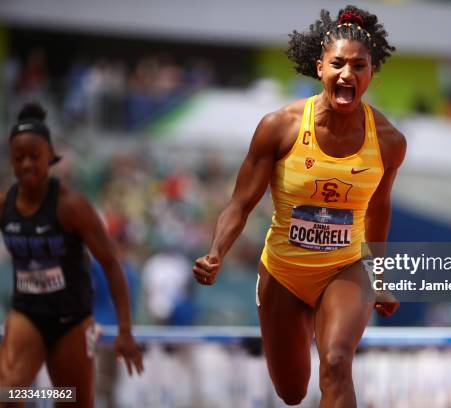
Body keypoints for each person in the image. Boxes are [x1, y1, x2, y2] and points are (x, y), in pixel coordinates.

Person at [193, 5, 405, 407]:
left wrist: (377, 273)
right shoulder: (281, 126)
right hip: (284, 274)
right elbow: (241, 203)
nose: (347, 74)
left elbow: (379, 208)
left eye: (359, 66)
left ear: (371, 73)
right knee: (291, 393)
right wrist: (216, 252)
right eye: (338, 64)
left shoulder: (389, 141)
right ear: (319, 67)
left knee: (337, 364)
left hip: (345, 269)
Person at [0, 102, 143, 407]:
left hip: (72, 319)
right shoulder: (4, 205)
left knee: (72, 401)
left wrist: (125, 331)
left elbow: (111, 264)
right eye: (18, 158)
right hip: (27, 313)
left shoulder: (71, 206)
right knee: (9, 392)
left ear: (50, 157)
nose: (26, 165)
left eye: (34, 157)